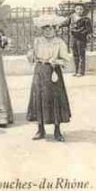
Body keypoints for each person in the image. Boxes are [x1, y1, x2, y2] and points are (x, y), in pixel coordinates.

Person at [27, 14, 71, 142]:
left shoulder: (59, 42)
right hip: (40, 71)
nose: (48, 31)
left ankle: (57, 131)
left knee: (55, 99)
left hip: (53, 72)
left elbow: (66, 59)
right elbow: (32, 58)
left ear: (55, 29)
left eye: (50, 28)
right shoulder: (37, 41)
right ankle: (40, 130)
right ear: (42, 30)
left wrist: (56, 61)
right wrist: (30, 53)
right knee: (39, 98)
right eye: (45, 28)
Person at [64, 3, 93, 77]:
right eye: (77, 9)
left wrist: (87, 34)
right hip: (73, 38)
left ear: (83, 10)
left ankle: (81, 72)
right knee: (75, 55)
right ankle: (76, 70)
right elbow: (65, 23)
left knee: (81, 55)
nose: (79, 11)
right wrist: (59, 25)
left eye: (81, 9)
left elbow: (89, 29)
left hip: (81, 39)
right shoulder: (72, 17)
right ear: (75, 9)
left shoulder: (86, 19)